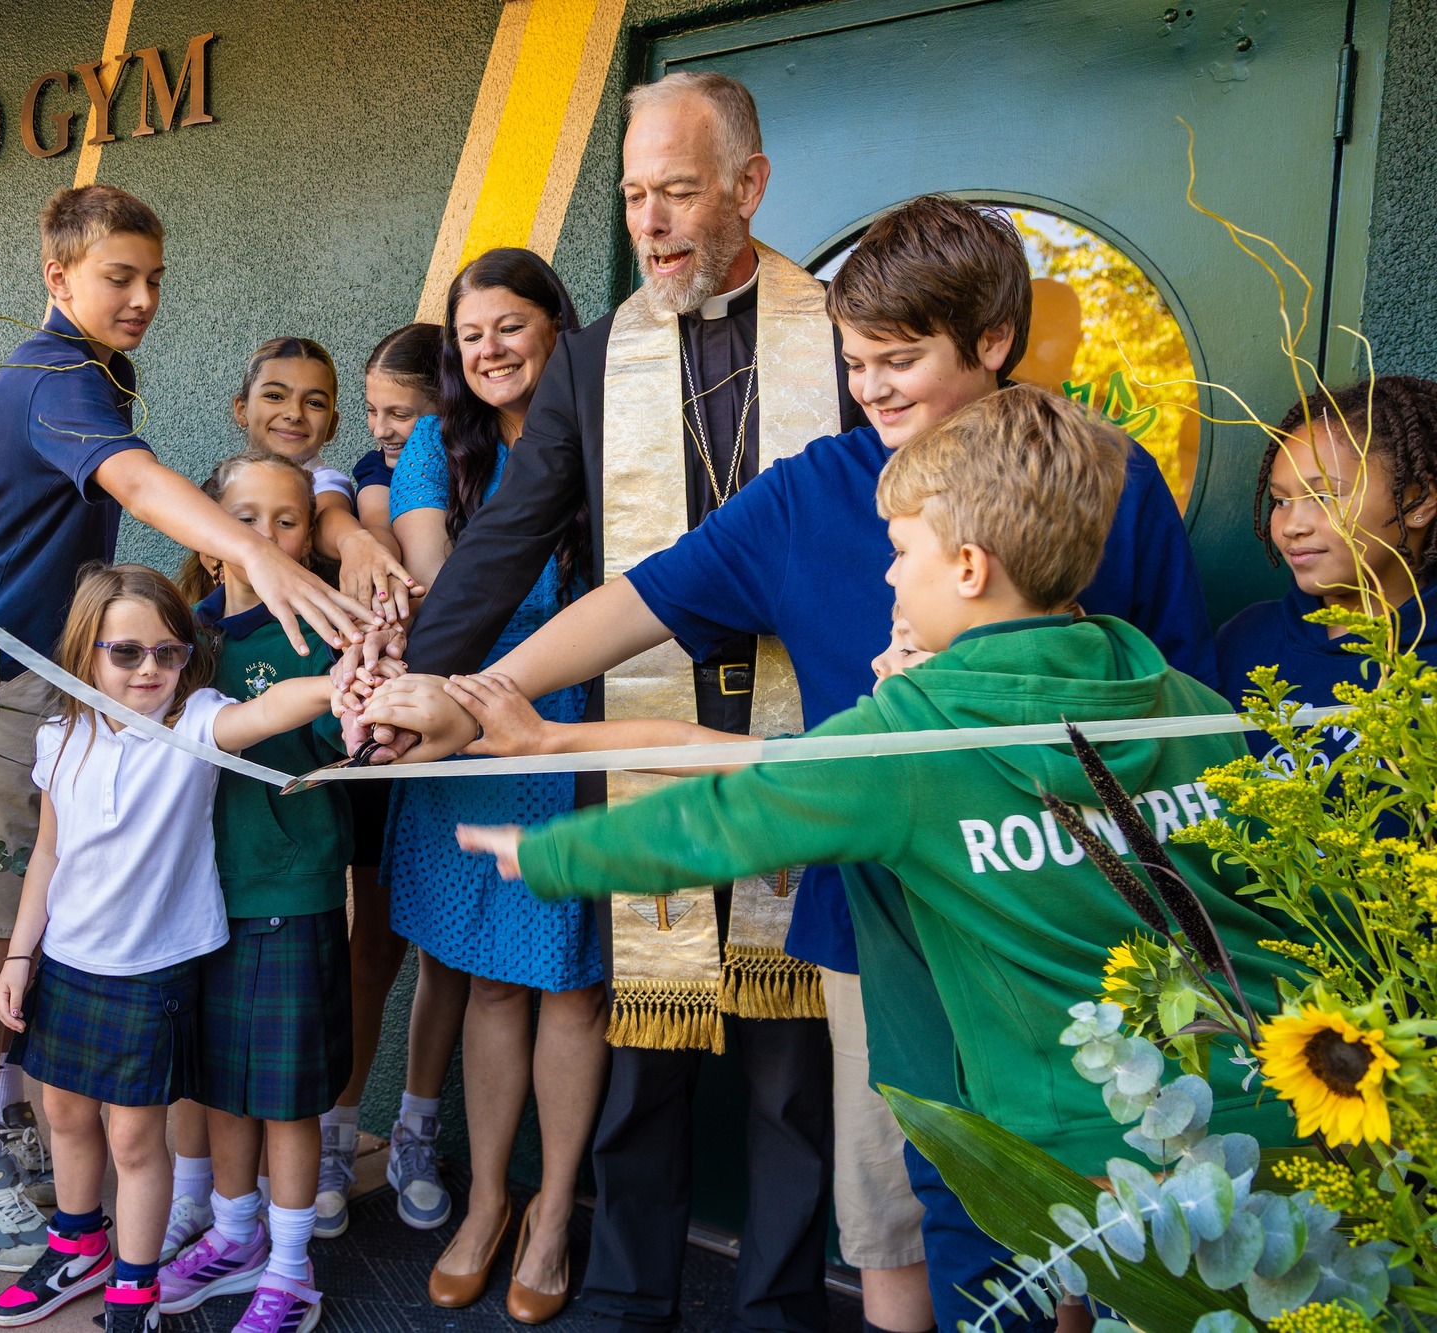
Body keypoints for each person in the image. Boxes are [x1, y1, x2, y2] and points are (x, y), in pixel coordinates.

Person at [361, 192, 1217, 1333]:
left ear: (994, 345)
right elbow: (650, 613)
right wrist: (479, 701)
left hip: (1074, 936)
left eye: (898, 361)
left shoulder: (1101, 482)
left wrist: (554, 841)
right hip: (887, 937)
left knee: (1102, 1229)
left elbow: (1177, 718)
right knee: (902, 1211)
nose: (869, 389)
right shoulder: (818, 488)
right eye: (854, 361)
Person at [444, 388, 1298, 1326]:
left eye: (899, 554)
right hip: (1256, 1095)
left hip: (1057, 1142)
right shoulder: (1173, 691)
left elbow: (731, 820)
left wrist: (556, 852)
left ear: (969, 567)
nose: (887, 580)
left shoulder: (908, 736)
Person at [343, 72, 865, 1333]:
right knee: (646, 1043)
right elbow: (503, 541)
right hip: (630, 720)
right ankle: (627, 1290)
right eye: (633, 195)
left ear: (748, 184)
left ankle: (781, 1305)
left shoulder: (844, 337)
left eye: (678, 191)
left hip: (800, 731)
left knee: (792, 1070)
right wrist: (414, 682)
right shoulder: (593, 358)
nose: (652, 222)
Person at [0, 184, 372, 1274]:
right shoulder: (51, 377)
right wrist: (256, 552)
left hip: (72, 692)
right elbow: (133, 479)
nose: (141, 298)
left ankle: (39, 1138)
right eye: (118, 276)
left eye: (153, 278)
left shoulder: (99, 375)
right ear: (56, 274)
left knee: (61, 911)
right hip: (0, 693)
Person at [0, 562, 343, 1331]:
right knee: (65, 1114)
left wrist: (336, 687)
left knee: (136, 1138)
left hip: (152, 975)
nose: (152, 669)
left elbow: (273, 708)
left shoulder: (196, 722)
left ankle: (136, 1287)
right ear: (86, 653)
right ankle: (79, 1243)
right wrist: (20, 956)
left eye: (169, 652)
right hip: (70, 963)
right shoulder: (59, 736)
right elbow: (48, 854)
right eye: (127, 652)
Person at [376, 248, 604, 1324]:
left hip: (572, 732)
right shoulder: (436, 443)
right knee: (488, 979)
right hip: (459, 733)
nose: (488, 349)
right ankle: (486, 1201)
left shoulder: (609, 431)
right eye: (469, 335)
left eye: (509, 325)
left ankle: (552, 1213)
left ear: (558, 327)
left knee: (567, 982)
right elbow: (440, 584)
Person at [156, 450, 354, 1333]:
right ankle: (233, 1235)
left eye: (289, 520)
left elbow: (343, 754)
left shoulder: (318, 635)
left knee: (283, 1094)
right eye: (247, 519)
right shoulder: (177, 636)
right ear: (207, 538)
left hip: (287, 887)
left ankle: (291, 1266)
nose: (269, 537)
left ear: (311, 537)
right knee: (219, 1082)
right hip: (195, 897)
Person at [314, 322, 444, 1241]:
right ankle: (335, 1133)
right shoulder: (367, 470)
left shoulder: (489, 461)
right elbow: (357, 504)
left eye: (402, 411)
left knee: (446, 948)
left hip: (467, 727)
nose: (384, 426)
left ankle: (417, 1130)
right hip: (383, 727)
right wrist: (356, 535)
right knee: (372, 942)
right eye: (374, 410)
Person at [1217, 377, 1437, 736]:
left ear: (1420, 499)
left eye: (1324, 497)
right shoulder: (1245, 638)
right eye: (1281, 501)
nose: (1292, 526)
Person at [230, 336, 419, 621]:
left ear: (331, 425)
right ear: (241, 409)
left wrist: (353, 540)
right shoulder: (224, 483)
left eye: (315, 403)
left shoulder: (325, 482)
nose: (294, 413)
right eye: (275, 396)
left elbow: (327, 512)